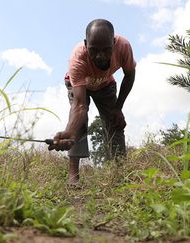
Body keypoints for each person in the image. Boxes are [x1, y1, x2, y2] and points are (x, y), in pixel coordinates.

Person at [48, 19, 136, 185]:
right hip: (79, 86)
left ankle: (120, 173)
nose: (100, 56)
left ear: (114, 43)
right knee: (79, 125)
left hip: (105, 84)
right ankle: (73, 176)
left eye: (106, 50)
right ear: (86, 44)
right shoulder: (77, 59)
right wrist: (70, 132)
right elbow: (80, 105)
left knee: (115, 122)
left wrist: (118, 108)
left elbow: (130, 74)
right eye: (94, 50)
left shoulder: (123, 46)